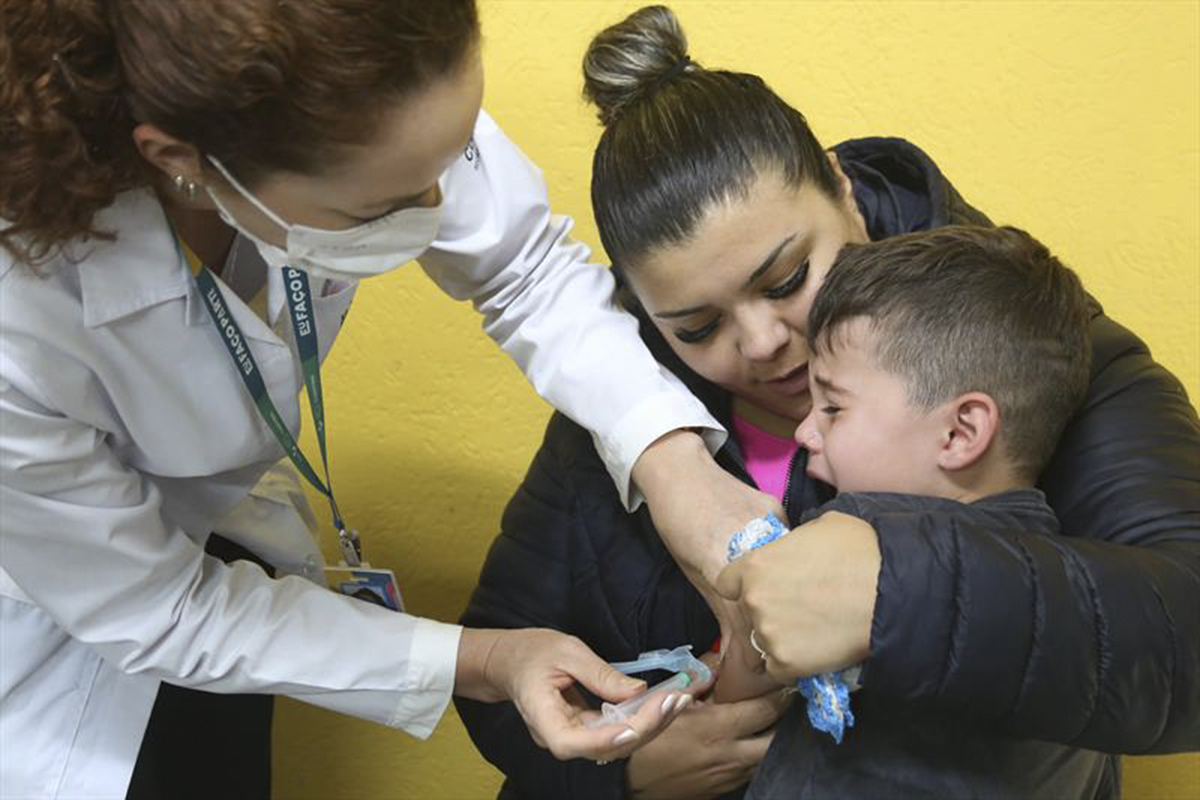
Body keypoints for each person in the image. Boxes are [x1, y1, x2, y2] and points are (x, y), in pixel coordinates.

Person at [0, 2, 779, 797]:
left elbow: (525, 265)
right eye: (377, 211)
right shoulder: (20, 320)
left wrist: (670, 459)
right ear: (183, 160)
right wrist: (483, 659)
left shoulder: (365, 78)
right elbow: (160, 608)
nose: (439, 211)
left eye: (451, 160)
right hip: (60, 647)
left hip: (221, 563)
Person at [456, 5, 1200, 798]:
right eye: (697, 327)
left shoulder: (1033, 345)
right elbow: (500, 674)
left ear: (843, 189)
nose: (762, 343)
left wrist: (899, 592)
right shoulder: (621, 402)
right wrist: (627, 774)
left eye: (785, 282)